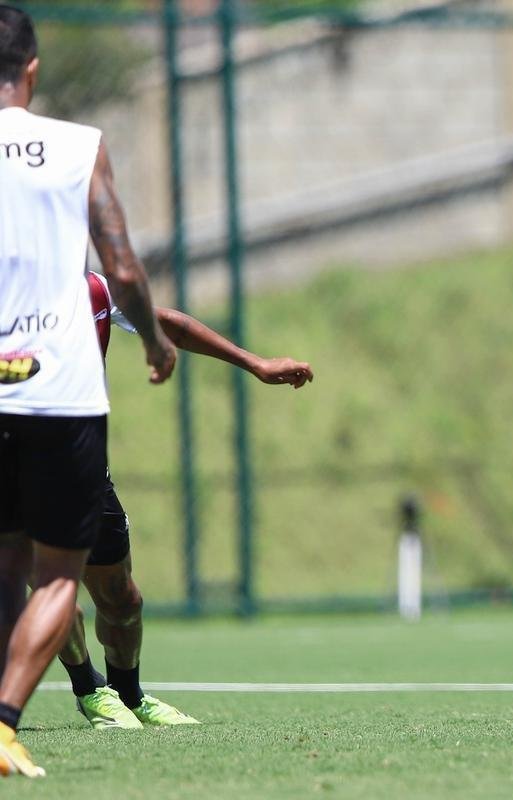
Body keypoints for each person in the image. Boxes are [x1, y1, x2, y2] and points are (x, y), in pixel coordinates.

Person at [0, 4, 176, 777]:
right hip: (60, 391)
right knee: (60, 577)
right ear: (31, 69)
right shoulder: (78, 147)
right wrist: (157, 341)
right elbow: (126, 270)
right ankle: (5, 720)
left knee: (5, 569)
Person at [56, 270, 314, 730]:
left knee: (122, 598)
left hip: (85, 468)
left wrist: (254, 362)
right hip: (17, 463)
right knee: (53, 596)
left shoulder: (90, 288)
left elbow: (164, 323)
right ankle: (89, 690)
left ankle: (128, 695)